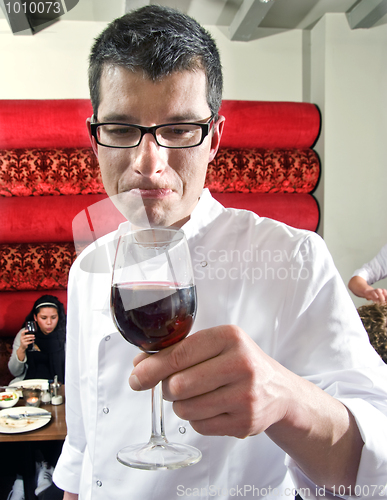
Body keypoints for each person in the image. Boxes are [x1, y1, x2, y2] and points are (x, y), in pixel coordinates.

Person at [53, 5, 387, 500]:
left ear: (215, 138)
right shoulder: (87, 269)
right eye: (122, 130)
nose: (149, 163)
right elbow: (83, 450)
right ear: (95, 138)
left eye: (180, 129)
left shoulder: (293, 258)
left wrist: (288, 402)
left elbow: (375, 473)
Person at [7, 294, 66, 500]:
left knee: (57, 425)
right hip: (26, 389)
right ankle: (21, 477)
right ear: (35, 317)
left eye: (53, 317)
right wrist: (22, 348)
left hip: (56, 389)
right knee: (17, 426)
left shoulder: (64, 336)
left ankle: (46, 468)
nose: (49, 323)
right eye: (43, 318)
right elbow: (14, 371)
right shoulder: (24, 334)